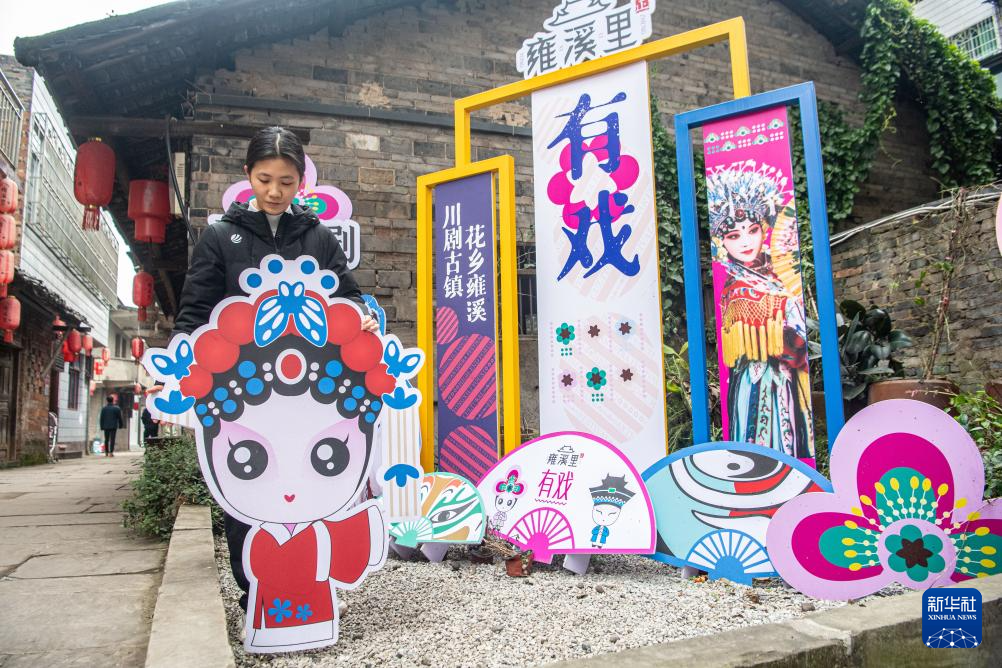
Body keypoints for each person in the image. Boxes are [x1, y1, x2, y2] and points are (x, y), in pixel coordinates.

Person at [172, 126, 379, 613]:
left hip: (309, 389)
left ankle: (309, 585)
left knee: (310, 478)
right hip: (241, 389)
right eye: (265, 179)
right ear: (248, 174)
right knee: (250, 480)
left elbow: (347, 295)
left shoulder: (317, 236)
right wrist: (185, 374)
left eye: (286, 182)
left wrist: (360, 316)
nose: (274, 192)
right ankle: (257, 594)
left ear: (300, 182)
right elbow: (194, 314)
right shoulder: (221, 236)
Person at [707, 164, 813, 460]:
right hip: (749, 379)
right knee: (751, 448)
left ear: (763, 230)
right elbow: (731, 344)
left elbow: (798, 331)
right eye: (733, 235)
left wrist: (788, 338)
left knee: (786, 441)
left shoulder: (782, 275)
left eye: (752, 231)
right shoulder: (730, 286)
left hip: (784, 377)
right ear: (721, 241)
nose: (745, 242)